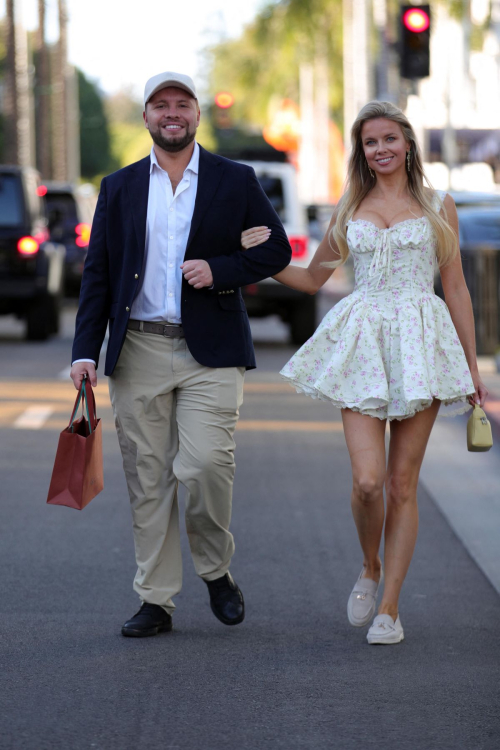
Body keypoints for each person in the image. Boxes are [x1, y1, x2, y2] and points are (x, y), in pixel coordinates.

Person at [241, 100, 488, 645]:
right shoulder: (350, 207)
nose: (380, 149)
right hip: (362, 343)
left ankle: (391, 610)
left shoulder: (436, 205)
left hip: (421, 340)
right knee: (368, 480)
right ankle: (369, 566)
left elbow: (457, 289)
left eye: (389, 139)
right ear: (363, 150)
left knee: (402, 485)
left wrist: (472, 370)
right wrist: (260, 256)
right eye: (370, 142)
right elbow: (311, 279)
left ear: (407, 144)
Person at [70, 72, 291, 637]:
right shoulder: (118, 186)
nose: (172, 113)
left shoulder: (234, 179)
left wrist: (220, 270)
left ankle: (215, 569)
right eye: (160, 104)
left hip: (211, 350)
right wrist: (84, 352)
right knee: (149, 478)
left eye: (182, 103)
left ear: (196, 115)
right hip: (137, 347)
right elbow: (98, 275)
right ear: (145, 117)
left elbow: (277, 250)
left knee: (205, 465)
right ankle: (156, 600)